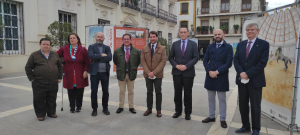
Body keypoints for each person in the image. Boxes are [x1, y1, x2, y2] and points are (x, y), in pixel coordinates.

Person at [234, 23, 269, 135]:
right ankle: (245, 126)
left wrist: (248, 73)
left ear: (257, 31)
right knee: (243, 105)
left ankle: (256, 129)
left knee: (255, 106)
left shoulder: (264, 44)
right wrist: (241, 73)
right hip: (242, 80)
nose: (249, 31)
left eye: (252, 30)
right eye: (248, 30)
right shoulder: (240, 44)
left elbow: (262, 63)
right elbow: (236, 60)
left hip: (255, 81)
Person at [25, 38, 63, 121]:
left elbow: (60, 66)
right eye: (44, 44)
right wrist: (32, 79)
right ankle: (40, 114)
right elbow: (28, 67)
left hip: (53, 82)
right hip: (39, 82)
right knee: (39, 99)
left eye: (47, 44)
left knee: (52, 98)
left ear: (50, 45)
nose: (46, 46)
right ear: (40, 44)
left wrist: (60, 77)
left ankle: (51, 112)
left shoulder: (55, 54)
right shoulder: (34, 55)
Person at [202, 29, 233, 128]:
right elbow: (205, 60)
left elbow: (228, 63)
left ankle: (223, 119)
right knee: (211, 99)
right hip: (210, 75)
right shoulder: (210, 46)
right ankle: (211, 116)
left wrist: (217, 72)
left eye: (219, 34)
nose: (217, 36)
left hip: (221, 76)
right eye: (215, 35)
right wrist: (209, 71)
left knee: (222, 99)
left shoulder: (228, 47)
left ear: (223, 35)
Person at [168, 27, 199, 120]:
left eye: (184, 32)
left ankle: (188, 112)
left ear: (187, 33)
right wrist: (176, 65)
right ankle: (178, 111)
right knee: (177, 93)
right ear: (179, 33)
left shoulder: (193, 44)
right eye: (181, 32)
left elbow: (195, 58)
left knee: (188, 93)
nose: (183, 34)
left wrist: (186, 66)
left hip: (188, 73)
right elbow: (170, 57)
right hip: (177, 73)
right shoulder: (175, 44)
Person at [56, 33, 90, 113]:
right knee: (70, 91)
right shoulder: (64, 48)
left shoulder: (82, 49)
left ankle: (78, 106)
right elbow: (55, 56)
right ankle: (72, 107)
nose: (72, 39)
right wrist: (60, 63)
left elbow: (87, 61)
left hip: (80, 73)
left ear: (77, 39)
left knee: (79, 91)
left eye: (74, 38)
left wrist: (85, 70)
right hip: (69, 73)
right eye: (70, 38)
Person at [141, 31, 166, 117]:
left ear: (157, 38)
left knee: (158, 92)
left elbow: (163, 62)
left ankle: (158, 110)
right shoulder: (145, 48)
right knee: (149, 92)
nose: (152, 38)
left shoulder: (162, 48)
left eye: (154, 37)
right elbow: (143, 61)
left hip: (158, 75)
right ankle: (149, 109)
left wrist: (154, 73)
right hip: (147, 75)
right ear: (149, 38)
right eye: (151, 37)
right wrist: (149, 73)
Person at [113, 34, 140, 114]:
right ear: (122, 40)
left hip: (131, 73)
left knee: (131, 91)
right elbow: (115, 61)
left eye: (128, 39)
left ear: (130, 40)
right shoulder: (117, 51)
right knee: (122, 91)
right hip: (121, 73)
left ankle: (131, 107)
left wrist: (133, 67)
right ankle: (121, 106)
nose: (126, 40)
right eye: (125, 39)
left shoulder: (135, 51)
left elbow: (137, 61)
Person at [88, 32, 112, 116]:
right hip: (95, 73)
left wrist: (97, 57)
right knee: (94, 92)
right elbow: (91, 57)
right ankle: (94, 109)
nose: (99, 38)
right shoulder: (91, 47)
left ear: (104, 38)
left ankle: (105, 108)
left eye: (101, 37)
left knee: (105, 92)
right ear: (96, 37)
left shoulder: (107, 47)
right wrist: (102, 55)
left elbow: (109, 58)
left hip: (105, 73)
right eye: (98, 37)